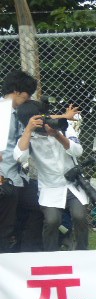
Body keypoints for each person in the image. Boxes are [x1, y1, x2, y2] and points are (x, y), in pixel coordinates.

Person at [15, 100, 89, 251]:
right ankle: (50, 255)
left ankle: (83, 251)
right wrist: (28, 131)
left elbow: (78, 151)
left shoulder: (63, 127)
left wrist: (57, 135)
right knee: (52, 220)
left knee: (79, 216)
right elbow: (20, 157)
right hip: (50, 187)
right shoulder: (29, 138)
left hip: (72, 184)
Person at [0, 70, 37, 253]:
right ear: (16, 91)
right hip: (4, 178)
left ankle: (24, 253)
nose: (27, 100)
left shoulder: (18, 114)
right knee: (6, 225)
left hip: (17, 177)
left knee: (35, 208)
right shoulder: (2, 112)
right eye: (26, 96)